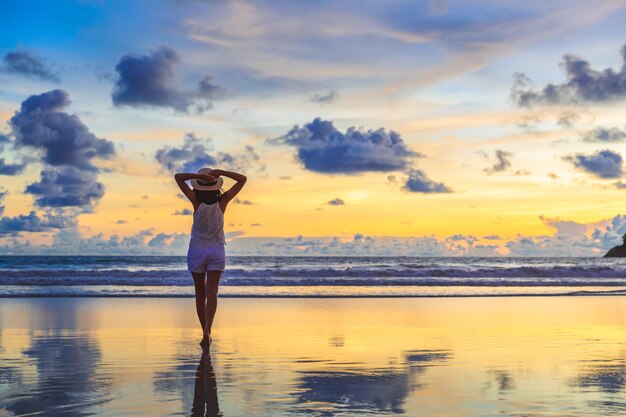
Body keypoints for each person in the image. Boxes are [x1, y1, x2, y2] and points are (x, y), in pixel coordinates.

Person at [175, 168, 247, 345]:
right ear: (216, 185)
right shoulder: (223, 201)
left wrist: (198, 176)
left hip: (197, 251)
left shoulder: (195, 200)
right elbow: (242, 179)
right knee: (212, 292)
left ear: (199, 186)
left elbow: (178, 178)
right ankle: (208, 330)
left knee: (200, 293)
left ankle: (204, 332)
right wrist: (221, 171)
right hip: (216, 251)